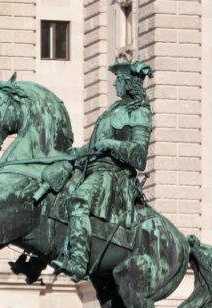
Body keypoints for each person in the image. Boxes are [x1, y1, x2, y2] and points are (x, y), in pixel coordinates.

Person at [52, 60, 153, 282]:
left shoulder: (140, 112)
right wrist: (73, 153)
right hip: (91, 168)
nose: (114, 85)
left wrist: (113, 145)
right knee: (53, 190)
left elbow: (139, 156)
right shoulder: (113, 110)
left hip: (113, 175)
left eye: (118, 80)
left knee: (78, 200)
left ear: (128, 83)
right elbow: (95, 146)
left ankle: (77, 262)